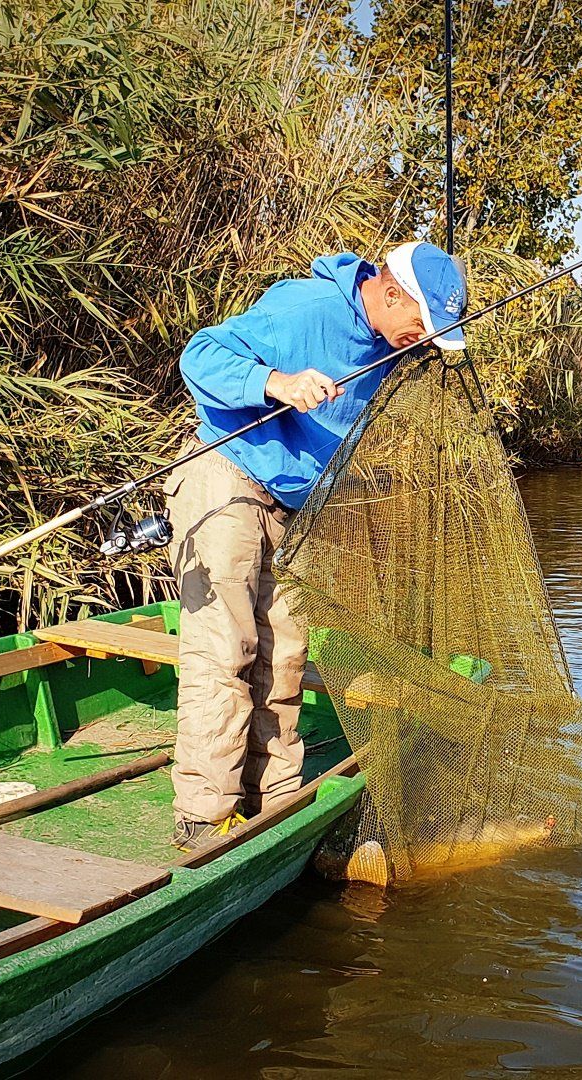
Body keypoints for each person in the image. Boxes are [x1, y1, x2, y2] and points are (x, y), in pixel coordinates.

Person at [165, 241, 467, 848]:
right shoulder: (307, 308)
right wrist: (274, 382)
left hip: (294, 503)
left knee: (285, 653)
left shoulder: (390, 348)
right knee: (226, 647)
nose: (424, 339)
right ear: (387, 293)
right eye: (422, 324)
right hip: (226, 476)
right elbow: (200, 354)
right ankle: (203, 813)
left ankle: (273, 796)